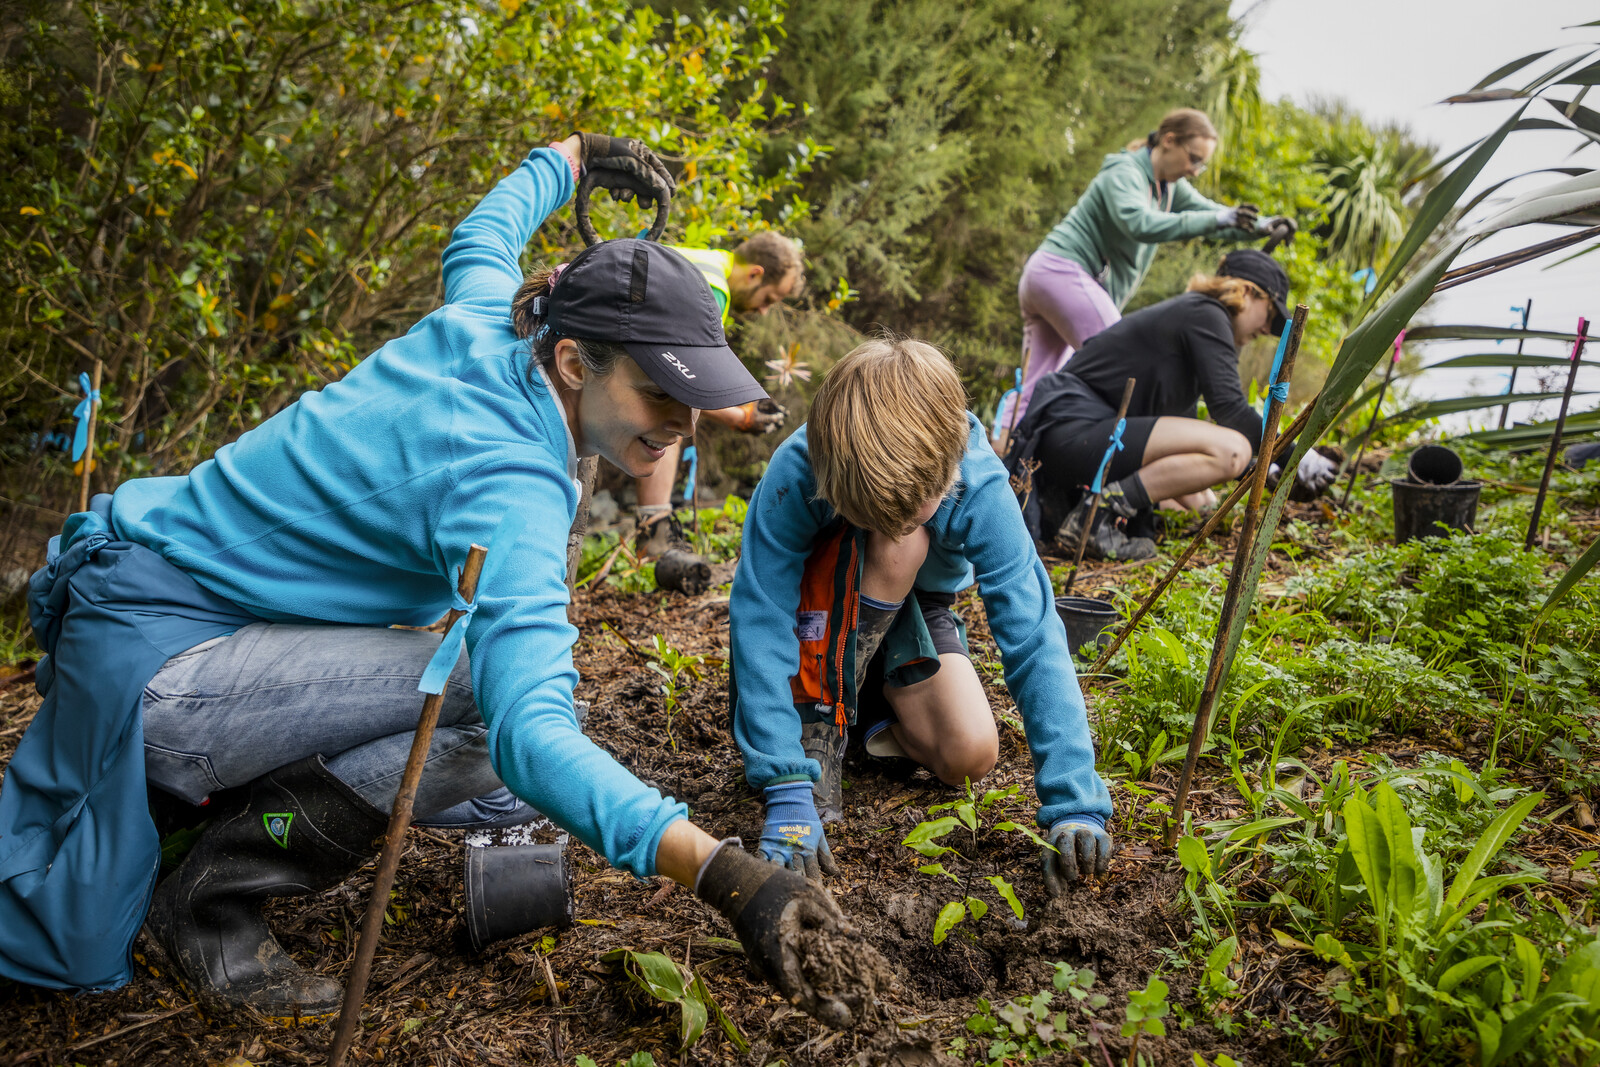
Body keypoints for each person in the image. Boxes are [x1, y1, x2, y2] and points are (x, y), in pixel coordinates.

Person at [1, 133, 864, 1027]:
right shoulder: (510, 481)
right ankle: (209, 898)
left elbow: (483, 234)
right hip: (158, 665)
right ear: (575, 363)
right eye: (660, 397)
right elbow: (531, 733)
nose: (682, 425)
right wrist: (724, 873)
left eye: (694, 399)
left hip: (150, 605)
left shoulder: (498, 315)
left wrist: (570, 158)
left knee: (481, 712)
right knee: (489, 712)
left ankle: (212, 808)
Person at [726, 338, 1114, 893]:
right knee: (897, 545)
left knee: (969, 754)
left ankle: (864, 715)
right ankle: (815, 720)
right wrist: (784, 783)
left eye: (913, 509)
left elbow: (1032, 635)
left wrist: (1074, 797)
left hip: (911, 609)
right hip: (813, 617)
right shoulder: (800, 467)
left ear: (948, 471)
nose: (892, 518)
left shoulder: (978, 485)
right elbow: (761, 613)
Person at [1006, 249, 1337, 562]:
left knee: (1200, 498)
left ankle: (1099, 512)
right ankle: (1094, 518)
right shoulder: (1207, 314)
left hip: (1084, 438)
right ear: (1247, 292)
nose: (1267, 329)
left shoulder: (1195, 321)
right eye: (1270, 314)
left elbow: (1185, 440)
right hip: (1073, 430)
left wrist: (1266, 470)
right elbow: (1230, 411)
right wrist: (1295, 455)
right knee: (1231, 450)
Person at [1009, 107, 1295, 432]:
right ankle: (1132, 464)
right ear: (1169, 141)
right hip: (1063, 273)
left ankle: (1008, 464)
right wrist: (1220, 218)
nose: (1197, 170)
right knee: (1128, 370)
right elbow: (1139, 223)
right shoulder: (1124, 171)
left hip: (1048, 275)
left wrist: (1262, 225)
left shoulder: (1168, 187)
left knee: (1034, 385)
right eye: (1194, 159)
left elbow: (1213, 215)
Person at [632, 233, 802, 558]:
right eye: (768, 299)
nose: (764, 311)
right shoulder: (713, 288)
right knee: (669, 420)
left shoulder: (707, 260)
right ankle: (652, 539)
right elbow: (679, 379)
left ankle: (652, 533)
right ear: (755, 273)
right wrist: (740, 418)